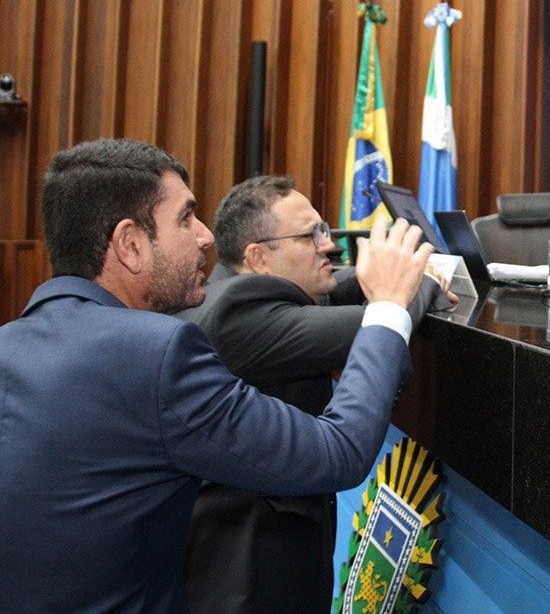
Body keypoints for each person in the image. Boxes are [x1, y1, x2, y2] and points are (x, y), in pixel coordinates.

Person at [0, 139, 429, 610]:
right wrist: (389, 307)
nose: (205, 236)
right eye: (186, 218)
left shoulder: (8, 345)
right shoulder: (156, 354)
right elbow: (337, 451)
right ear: (131, 244)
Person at [180, 176, 451, 613]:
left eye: (323, 229)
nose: (330, 245)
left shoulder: (242, 288)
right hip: (249, 575)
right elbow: (377, 323)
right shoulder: (238, 313)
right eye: (311, 236)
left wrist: (400, 276)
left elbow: (346, 284)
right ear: (258, 257)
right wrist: (426, 280)